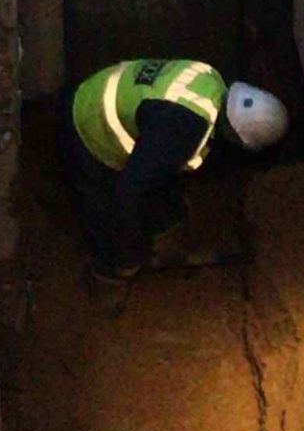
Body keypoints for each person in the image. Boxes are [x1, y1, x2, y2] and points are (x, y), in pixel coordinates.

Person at [59, 57, 290, 282]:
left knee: (157, 177)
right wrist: (129, 253)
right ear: (238, 139)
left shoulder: (209, 78)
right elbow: (129, 191)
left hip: (101, 86)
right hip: (88, 124)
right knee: (100, 204)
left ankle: (159, 232)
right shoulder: (181, 130)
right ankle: (110, 271)